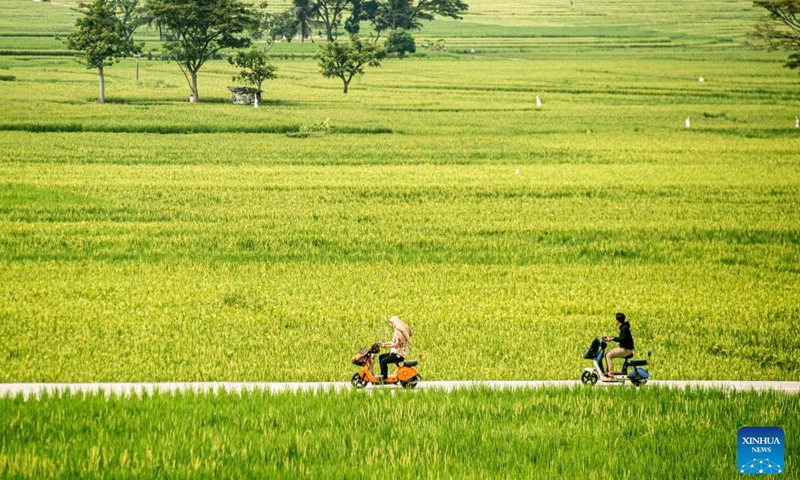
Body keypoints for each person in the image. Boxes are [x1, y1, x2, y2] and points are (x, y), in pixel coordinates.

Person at [378, 316, 412, 383]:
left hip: (398, 355)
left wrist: (386, 346)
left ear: (393, 323)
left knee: (383, 361)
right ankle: (382, 375)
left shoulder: (399, 333)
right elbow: (393, 342)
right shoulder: (396, 331)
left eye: (390, 323)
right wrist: (384, 343)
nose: (389, 324)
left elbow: (396, 344)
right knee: (381, 357)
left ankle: (384, 378)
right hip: (395, 353)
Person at [603, 312, 634, 378]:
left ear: (617, 320)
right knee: (607, 353)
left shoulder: (624, 328)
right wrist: (610, 338)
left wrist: (612, 339)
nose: (614, 321)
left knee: (608, 355)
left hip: (626, 350)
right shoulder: (624, 327)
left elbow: (622, 339)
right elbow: (622, 338)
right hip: (624, 348)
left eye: (615, 319)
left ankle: (610, 373)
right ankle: (608, 371)